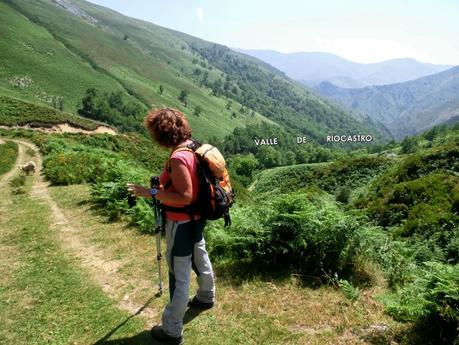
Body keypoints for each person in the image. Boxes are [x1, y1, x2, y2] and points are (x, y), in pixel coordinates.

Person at [127, 108, 215, 345]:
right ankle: (206, 296)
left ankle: (172, 329)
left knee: (179, 273)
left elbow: (184, 196)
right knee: (200, 254)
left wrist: (152, 192)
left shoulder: (178, 158)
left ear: (161, 134)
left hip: (181, 222)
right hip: (198, 218)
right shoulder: (193, 147)